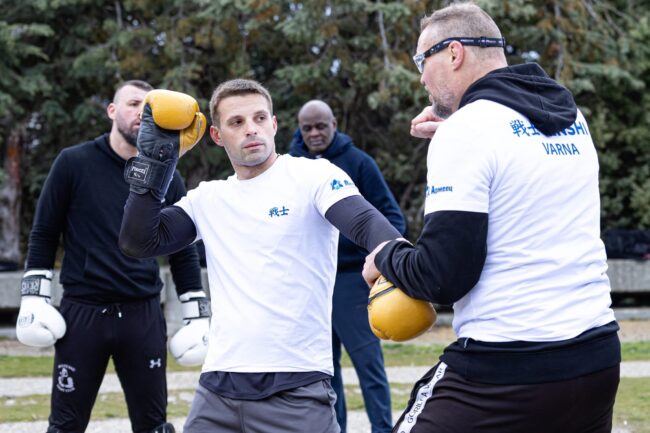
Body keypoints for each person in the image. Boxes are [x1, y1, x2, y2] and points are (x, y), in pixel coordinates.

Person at [362, 3, 620, 433]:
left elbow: (443, 276)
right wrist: (457, 130)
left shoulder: (469, 129)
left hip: (505, 370)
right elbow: (520, 173)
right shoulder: (571, 119)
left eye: (422, 60)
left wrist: (386, 255)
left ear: (454, 53)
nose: (421, 78)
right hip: (596, 358)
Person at [118, 79, 404, 433]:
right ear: (217, 135)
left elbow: (363, 221)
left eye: (259, 118)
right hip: (218, 389)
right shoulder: (208, 198)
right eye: (236, 122)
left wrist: (393, 254)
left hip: (296, 386)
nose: (251, 129)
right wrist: (155, 164)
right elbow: (138, 241)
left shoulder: (313, 176)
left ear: (274, 124)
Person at [16, 80, 207, 433]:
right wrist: (33, 297)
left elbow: (183, 249)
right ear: (111, 110)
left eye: (148, 108)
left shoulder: (168, 175)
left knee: (154, 425)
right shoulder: (73, 162)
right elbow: (44, 232)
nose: (141, 113)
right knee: (65, 425)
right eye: (133, 103)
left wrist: (197, 315)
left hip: (142, 313)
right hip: (83, 311)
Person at [289, 100, 405, 433]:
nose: (314, 133)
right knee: (324, 372)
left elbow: (392, 218)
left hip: (352, 280)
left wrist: (373, 258)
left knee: (369, 366)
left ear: (334, 124)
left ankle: (382, 429)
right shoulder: (290, 166)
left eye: (320, 126)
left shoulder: (359, 163)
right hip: (312, 284)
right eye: (307, 128)